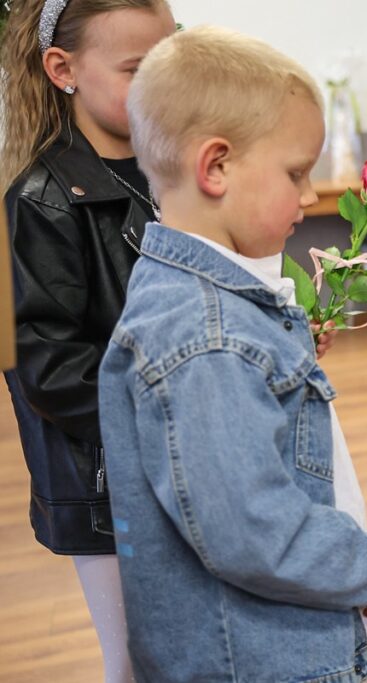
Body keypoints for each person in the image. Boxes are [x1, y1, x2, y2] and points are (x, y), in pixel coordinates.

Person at [96, 26, 367, 682]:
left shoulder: (191, 300)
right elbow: (255, 530)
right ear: (216, 167)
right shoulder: (203, 336)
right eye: (296, 173)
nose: (309, 197)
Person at [1, 2, 176, 680]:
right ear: (62, 69)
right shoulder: (38, 203)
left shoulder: (172, 172)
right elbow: (47, 371)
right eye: (137, 69)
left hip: (174, 460)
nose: (161, 86)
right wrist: (174, 398)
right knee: (135, 660)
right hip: (105, 491)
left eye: (168, 63)